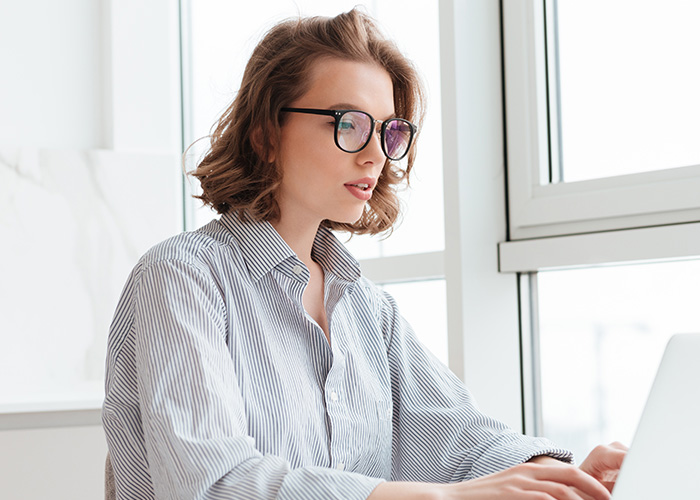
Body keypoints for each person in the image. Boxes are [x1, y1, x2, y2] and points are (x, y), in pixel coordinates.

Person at [102, 8, 626, 500]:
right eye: (349, 124)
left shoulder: (369, 311)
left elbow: (461, 440)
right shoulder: (179, 278)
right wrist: (441, 498)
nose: (376, 154)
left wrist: (569, 477)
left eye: (388, 130)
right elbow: (217, 485)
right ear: (265, 134)